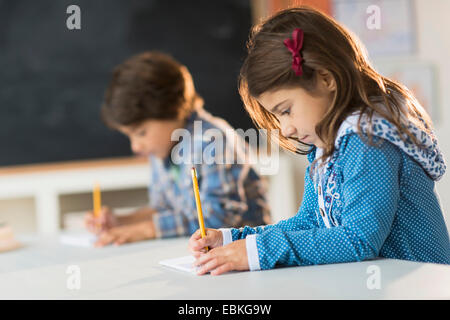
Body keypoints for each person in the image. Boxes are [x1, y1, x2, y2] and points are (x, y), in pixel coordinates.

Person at [188, 6, 450, 275]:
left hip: (417, 286)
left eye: (286, 110)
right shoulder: (327, 145)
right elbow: (310, 221)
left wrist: (259, 251)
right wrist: (236, 240)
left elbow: (360, 240)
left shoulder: (368, 139)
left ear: (326, 78)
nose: (285, 129)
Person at [85, 51, 270, 247]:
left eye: (141, 133)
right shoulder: (162, 149)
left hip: (244, 255)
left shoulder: (212, 140)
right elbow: (165, 209)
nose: (135, 146)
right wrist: (122, 222)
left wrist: (148, 229)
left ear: (171, 110)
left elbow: (220, 217)